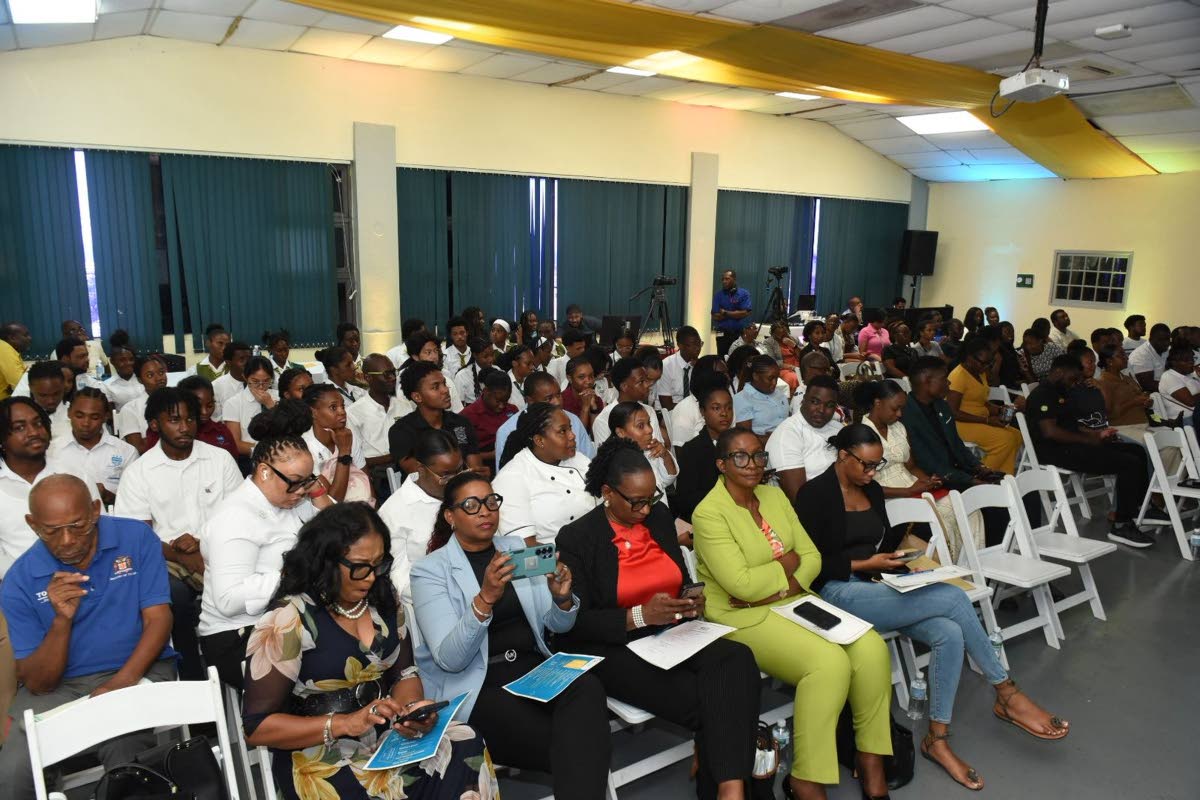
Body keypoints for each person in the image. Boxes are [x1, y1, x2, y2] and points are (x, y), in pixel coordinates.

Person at [796, 425, 1068, 791]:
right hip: (836, 591)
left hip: (876, 584)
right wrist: (865, 564)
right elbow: (810, 563)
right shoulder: (814, 495)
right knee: (954, 598)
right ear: (843, 456)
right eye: (866, 465)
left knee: (949, 631)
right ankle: (1006, 692)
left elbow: (881, 540)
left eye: (877, 465)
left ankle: (936, 740)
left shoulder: (871, 490)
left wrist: (899, 561)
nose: (873, 473)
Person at [243, 502, 498, 799]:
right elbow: (257, 726)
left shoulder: (382, 599)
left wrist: (410, 712)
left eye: (379, 564)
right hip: (319, 752)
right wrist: (345, 723)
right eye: (360, 567)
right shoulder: (287, 620)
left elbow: (404, 674)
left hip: (384, 739)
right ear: (325, 561)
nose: (370, 576)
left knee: (463, 741)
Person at [692, 428, 893, 800]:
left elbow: (812, 556)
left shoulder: (773, 496)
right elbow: (741, 586)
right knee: (828, 663)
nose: (752, 465)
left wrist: (782, 582)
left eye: (758, 456)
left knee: (871, 646)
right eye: (740, 457)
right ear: (721, 464)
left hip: (790, 599)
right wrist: (786, 569)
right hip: (740, 618)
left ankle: (870, 758)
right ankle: (806, 778)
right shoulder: (708, 513)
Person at [558, 438, 760, 799]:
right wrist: (639, 615)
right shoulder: (578, 538)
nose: (645, 509)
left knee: (739, 656)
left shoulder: (660, 517)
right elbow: (577, 624)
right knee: (719, 699)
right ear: (607, 493)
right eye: (636, 501)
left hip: (672, 632)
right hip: (616, 647)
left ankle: (729, 788)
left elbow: (680, 578)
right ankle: (734, 789)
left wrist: (688, 601)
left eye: (650, 498)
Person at [410, 473, 605, 799]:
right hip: (480, 685)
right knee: (580, 743)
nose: (485, 511)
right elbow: (450, 659)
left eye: (491, 501)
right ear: (450, 516)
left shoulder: (515, 549)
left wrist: (562, 598)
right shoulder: (430, 571)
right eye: (471, 505)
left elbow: (558, 626)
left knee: (588, 687)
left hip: (534, 670)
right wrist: (485, 599)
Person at [0, 475, 177, 800]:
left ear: (95, 510)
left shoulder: (135, 537)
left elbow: (159, 619)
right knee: (11, 771)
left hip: (139, 668)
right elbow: (39, 683)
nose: (67, 540)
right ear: (32, 523)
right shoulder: (19, 581)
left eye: (77, 526)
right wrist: (61, 621)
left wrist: (121, 682)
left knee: (123, 746)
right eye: (51, 531)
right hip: (61, 687)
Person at [114, 387, 242, 680]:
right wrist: (182, 556)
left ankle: (235, 671)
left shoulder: (219, 459)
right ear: (155, 424)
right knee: (175, 599)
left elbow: (238, 514)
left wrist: (200, 542)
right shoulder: (139, 471)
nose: (184, 427)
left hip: (220, 547)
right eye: (174, 420)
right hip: (165, 556)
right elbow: (138, 535)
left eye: (190, 419)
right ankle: (194, 681)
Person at [197, 408, 327, 688]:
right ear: (265, 472)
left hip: (286, 618)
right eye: (295, 482)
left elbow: (341, 533)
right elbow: (229, 600)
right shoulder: (235, 517)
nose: (301, 490)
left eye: (307, 481)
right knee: (333, 663)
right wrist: (299, 576)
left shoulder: (290, 501)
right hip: (237, 634)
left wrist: (316, 493)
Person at [1026, 355, 1154, 548]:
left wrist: (1098, 434)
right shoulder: (1042, 394)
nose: (1075, 383)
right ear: (1059, 372)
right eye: (1073, 378)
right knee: (1129, 463)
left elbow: (1073, 427)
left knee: (1136, 451)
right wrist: (1089, 439)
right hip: (1055, 451)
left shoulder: (1063, 391)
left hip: (1074, 444)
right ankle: (1121, 524)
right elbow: (1050, 432)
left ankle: (1136, 508)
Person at [855, 381, 981, 563]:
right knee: (940, 518)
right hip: (886, 494)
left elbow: (911, 466)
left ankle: (970, 565)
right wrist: (908, 492)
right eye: (895, 409)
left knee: (966, 509)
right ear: (877, 403)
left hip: (911, 485)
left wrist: (929, 481)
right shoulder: (860, 433)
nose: (899, 414)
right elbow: (863, 484)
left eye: (902, 409)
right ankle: (951, 568)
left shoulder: (898, 427)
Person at [0, 398, 102, 577]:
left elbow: (99, 529)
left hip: (83, 578)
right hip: (18, 587)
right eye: (19, 427)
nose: (34, 432)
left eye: (38, 423)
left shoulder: (75, 475)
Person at [493, 402, 597, 545]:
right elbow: (523, 544)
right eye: (562, 431)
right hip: (553, 559)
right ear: (539, 440)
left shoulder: (579, 460)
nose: (572, 436)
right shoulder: (511, 478)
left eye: (570, 428)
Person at [377, 430, 465, 595]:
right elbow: (398, 578)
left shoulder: (467, 490)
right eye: (445, 475)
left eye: (459, 470)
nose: (455, 481)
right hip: (431, 593)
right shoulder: (395, 511)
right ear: (420, 468)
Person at [389, 362, 483, 478]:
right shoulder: (401, 431)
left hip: (464, 489)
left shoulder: (461, 423)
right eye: (435, 387)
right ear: (417, 397)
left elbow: (475, 469)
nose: (445, 390)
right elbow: (421, 476)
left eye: (444, 383)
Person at [46, 388, 137, 508]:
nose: (86, 423)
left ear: (106, 417)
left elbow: (136, 500)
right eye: (79, 416)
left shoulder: (126, 452)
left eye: (94, 417)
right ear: (69, 413)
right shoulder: (52, 450)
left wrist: (107, 496)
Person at [947, 337, 1021, 474]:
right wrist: (987, 420)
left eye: (989, 363)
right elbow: (951, 411)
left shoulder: (979, 372)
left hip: (979, 419)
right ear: (970, 358)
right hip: (960, 423)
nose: (986, 367)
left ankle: (1002, 477)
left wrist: (999, 409)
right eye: (983, 363)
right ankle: (981, 478)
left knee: (1016, 435)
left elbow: (980, 402)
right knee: (1005, 440)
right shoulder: (958, 376)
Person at [765, 376, 844, 500]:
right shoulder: (787, 435)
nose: (821, 410)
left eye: (829, 405)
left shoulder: (838, 428)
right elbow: (799, 498)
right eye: (815, 402)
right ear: (803, 400)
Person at [494, 371, 597, 460]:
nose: (557, 402)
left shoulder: (573, 420)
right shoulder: (508, 430)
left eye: (558, 395)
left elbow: (589, 459)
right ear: (530, 401)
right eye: (548, 398)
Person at [347, 354, 413, 494]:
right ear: (368, 378)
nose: (393, 378)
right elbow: (356, 459)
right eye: (386, 374)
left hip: (408, 470)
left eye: (393, 372)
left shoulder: (405, 406)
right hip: (376, 476)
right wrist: (393, 456)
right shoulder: (354, 413)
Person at [671, 379, 733, 524]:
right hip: (709, 517)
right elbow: (686, 500)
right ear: (702, 411)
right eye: (716, 408)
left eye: (729, 408)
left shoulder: (740, 443)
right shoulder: (692, 450)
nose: (724, 413)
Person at [147, 375, 239, 462]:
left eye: (210, 405)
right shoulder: (164, 434)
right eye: (198, 406)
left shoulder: (221, 430)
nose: (204, 412)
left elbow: (233, 461)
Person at [608, 401, 676, 500]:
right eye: (640, 426)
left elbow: (668, 480)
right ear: (620, 432)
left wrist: (665, 455)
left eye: (649, 423)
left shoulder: (648, 450)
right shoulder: (615, 464)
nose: (650, 430)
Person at [592, 357, 665, 448]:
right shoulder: (603, 420)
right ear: (624, 387)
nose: (648, 385)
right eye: (641, 382)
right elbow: (605, 458)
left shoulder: (648, 410)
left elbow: (658, 447)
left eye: (647, 379)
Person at [221, 355, 278, 457]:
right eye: (255, 381)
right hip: (251, 457)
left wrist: (270, 405)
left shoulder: (277, 397)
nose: (261, 386)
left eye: (266, 381)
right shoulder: (233, 403)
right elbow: (236, 443)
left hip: (281, 453)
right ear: (245, 377)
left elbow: (287, 429)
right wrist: (268, 452)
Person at [460, 368, 517, 469]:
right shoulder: (464, 416)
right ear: (486, 391)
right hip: (482, 466)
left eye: (505, 401)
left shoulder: (513, 410)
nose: (501, 406)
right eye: (498, 401)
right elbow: (461, 453)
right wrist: (491, 455)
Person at [668, 355, 730, 447]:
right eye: (722, 374)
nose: (728, 378)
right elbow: (681, 452)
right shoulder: (685, 410)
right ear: (707, 376)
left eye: (727, 373)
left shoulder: (727, 403)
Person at [114, 354, 168, 452]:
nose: (159, 378)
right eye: (150, 375)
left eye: (161, 372)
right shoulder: (130, 410)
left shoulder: (178, 402)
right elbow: (139, 448)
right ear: (140, 380)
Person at [733, 355, 789, 439]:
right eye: (770, 378)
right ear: (755, 376)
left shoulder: (779, 393)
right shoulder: (742, 399)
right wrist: (772, 438)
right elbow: (745, 436)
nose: (775, 383)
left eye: (777, 378)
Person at [24, 361, 70, 442]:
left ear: (63, 386)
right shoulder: (18, 417)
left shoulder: (77, 414)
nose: (50, 401)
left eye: (56, 394)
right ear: (30, 388)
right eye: (43, 395)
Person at [711, 269, 753, 359]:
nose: (724, 281)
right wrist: (736, 313)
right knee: (722, 360)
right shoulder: (718, 295)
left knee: (739, 359)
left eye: (727, 279)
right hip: (722, 335)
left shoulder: (744, 294)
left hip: (739, 334)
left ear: (734, 279)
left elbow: (745, 313)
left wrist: (725, 313)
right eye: (723, 279)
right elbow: (715, 316)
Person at [562, 354, 604, 435]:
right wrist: (585, 408)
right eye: (581, 377)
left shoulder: (597, 400)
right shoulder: (562, 402)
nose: (588, 381)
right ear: (570, 378)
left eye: (591, 376)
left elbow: (596, 435)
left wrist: (593, 408)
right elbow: (577, 437)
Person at [1158, 345, 1198, 423]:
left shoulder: (1189, 375)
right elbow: (1191, 402)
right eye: (1186, 360)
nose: (1191, 362)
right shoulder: (1169, 377)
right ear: (1174, 362)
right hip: (1187, 419)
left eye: (1192, 358)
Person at [1128, 323, 1172, 393]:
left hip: (1165, 389)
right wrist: (1173, 387)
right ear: (1151, 339)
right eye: (1161, 340)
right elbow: (1148, 385)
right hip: (1148, 394)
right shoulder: (1141, 355)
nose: (1166, 343)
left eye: (1168, 339)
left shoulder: (1166, 350)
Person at [454, 337, 498, 406]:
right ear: (475, 355)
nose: (491, 360)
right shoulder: (462, 376)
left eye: (492, 355)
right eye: (485, 356)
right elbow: (459, 406)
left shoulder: (499, 371)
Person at [212, 340, 253, 407]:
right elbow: (216, 416)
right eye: (241, 359)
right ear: (228, 362)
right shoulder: (216, 387)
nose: (247, 362)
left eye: (249, 358)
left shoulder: (260, 383)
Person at [103, 344, 143, 411]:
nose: (128, 363)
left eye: (131, 359)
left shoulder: (143, 380)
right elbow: (111, 415)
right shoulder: (107, 386)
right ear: (112, 362)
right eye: (122, 360)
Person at [0, 322, 31, 400]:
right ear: (12, 338)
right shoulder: (5, 350)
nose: (30, 338)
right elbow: (21, 383)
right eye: (25, 335)